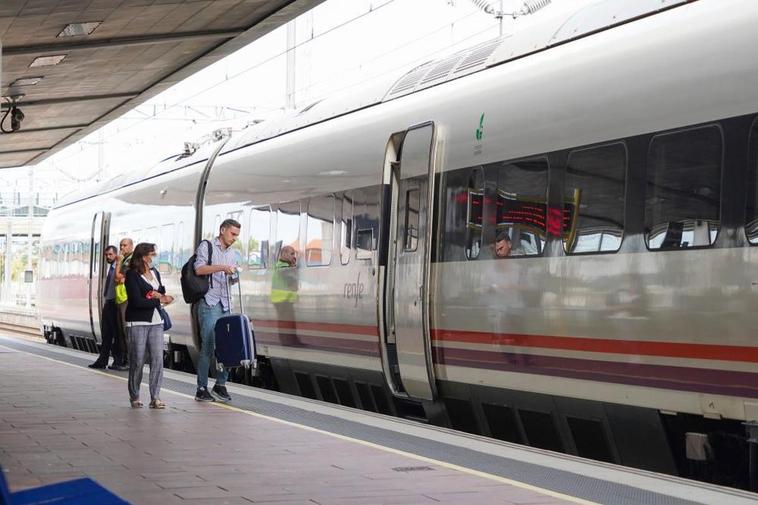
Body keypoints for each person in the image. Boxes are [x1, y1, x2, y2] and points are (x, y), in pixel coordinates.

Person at [193, 219, 241, 402]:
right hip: (209, 303)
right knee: (208, 346)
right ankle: (201, 387)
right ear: (222, 230)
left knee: (227, 346)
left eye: (237, 235)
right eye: (232, 234)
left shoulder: (233, 253)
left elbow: (231, 278)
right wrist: (223, 267)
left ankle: (220, 385)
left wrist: (235, 275)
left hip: (226, 303)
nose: (234, 238)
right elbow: (199, 269)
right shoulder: (207, 246)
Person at [124, 242, 173, 409]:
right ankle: (135, 396)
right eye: (152, 254)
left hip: (156, 321)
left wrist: (162, 296)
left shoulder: (155, 272)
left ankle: (156, 396)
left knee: (158, 359)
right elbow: (136, 301)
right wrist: (157, 299)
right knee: (137, 360)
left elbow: (159, 292)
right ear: (143, 256)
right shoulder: (132, 275)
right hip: (137, 322)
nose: (154, 257)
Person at [88, 246, 127, 370]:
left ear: (116, 255)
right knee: (106, 333)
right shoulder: (111, 267)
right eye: (106, 255)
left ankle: (118, 360)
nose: (107, 257)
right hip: (109, 302)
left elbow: (119, 280)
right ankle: (102, 360)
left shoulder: (120, 267)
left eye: (110, 255)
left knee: (117, 334)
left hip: (117, 303)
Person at [271, 245, 299, 345]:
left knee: (290, 321)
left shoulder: (284, 266)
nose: (294, 256)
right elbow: (292, 279)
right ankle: (288, 341)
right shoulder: (282, 266)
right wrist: (294, 266)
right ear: (284, 254)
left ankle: (292, 340)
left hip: (285, 299)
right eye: (292, 254)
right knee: (285, 322)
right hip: (281, 299)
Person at [113, 237, 134, 366]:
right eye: (120, 246)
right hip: (121, 298)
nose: (122, 248)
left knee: (126, 331)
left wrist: (118, 263)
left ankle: (129, 361)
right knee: (121, 331)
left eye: (125, 245)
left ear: (131, 246)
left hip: (126, 299)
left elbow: (118, 277)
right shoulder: (126, 258)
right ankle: (126, 359)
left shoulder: (129, 260)